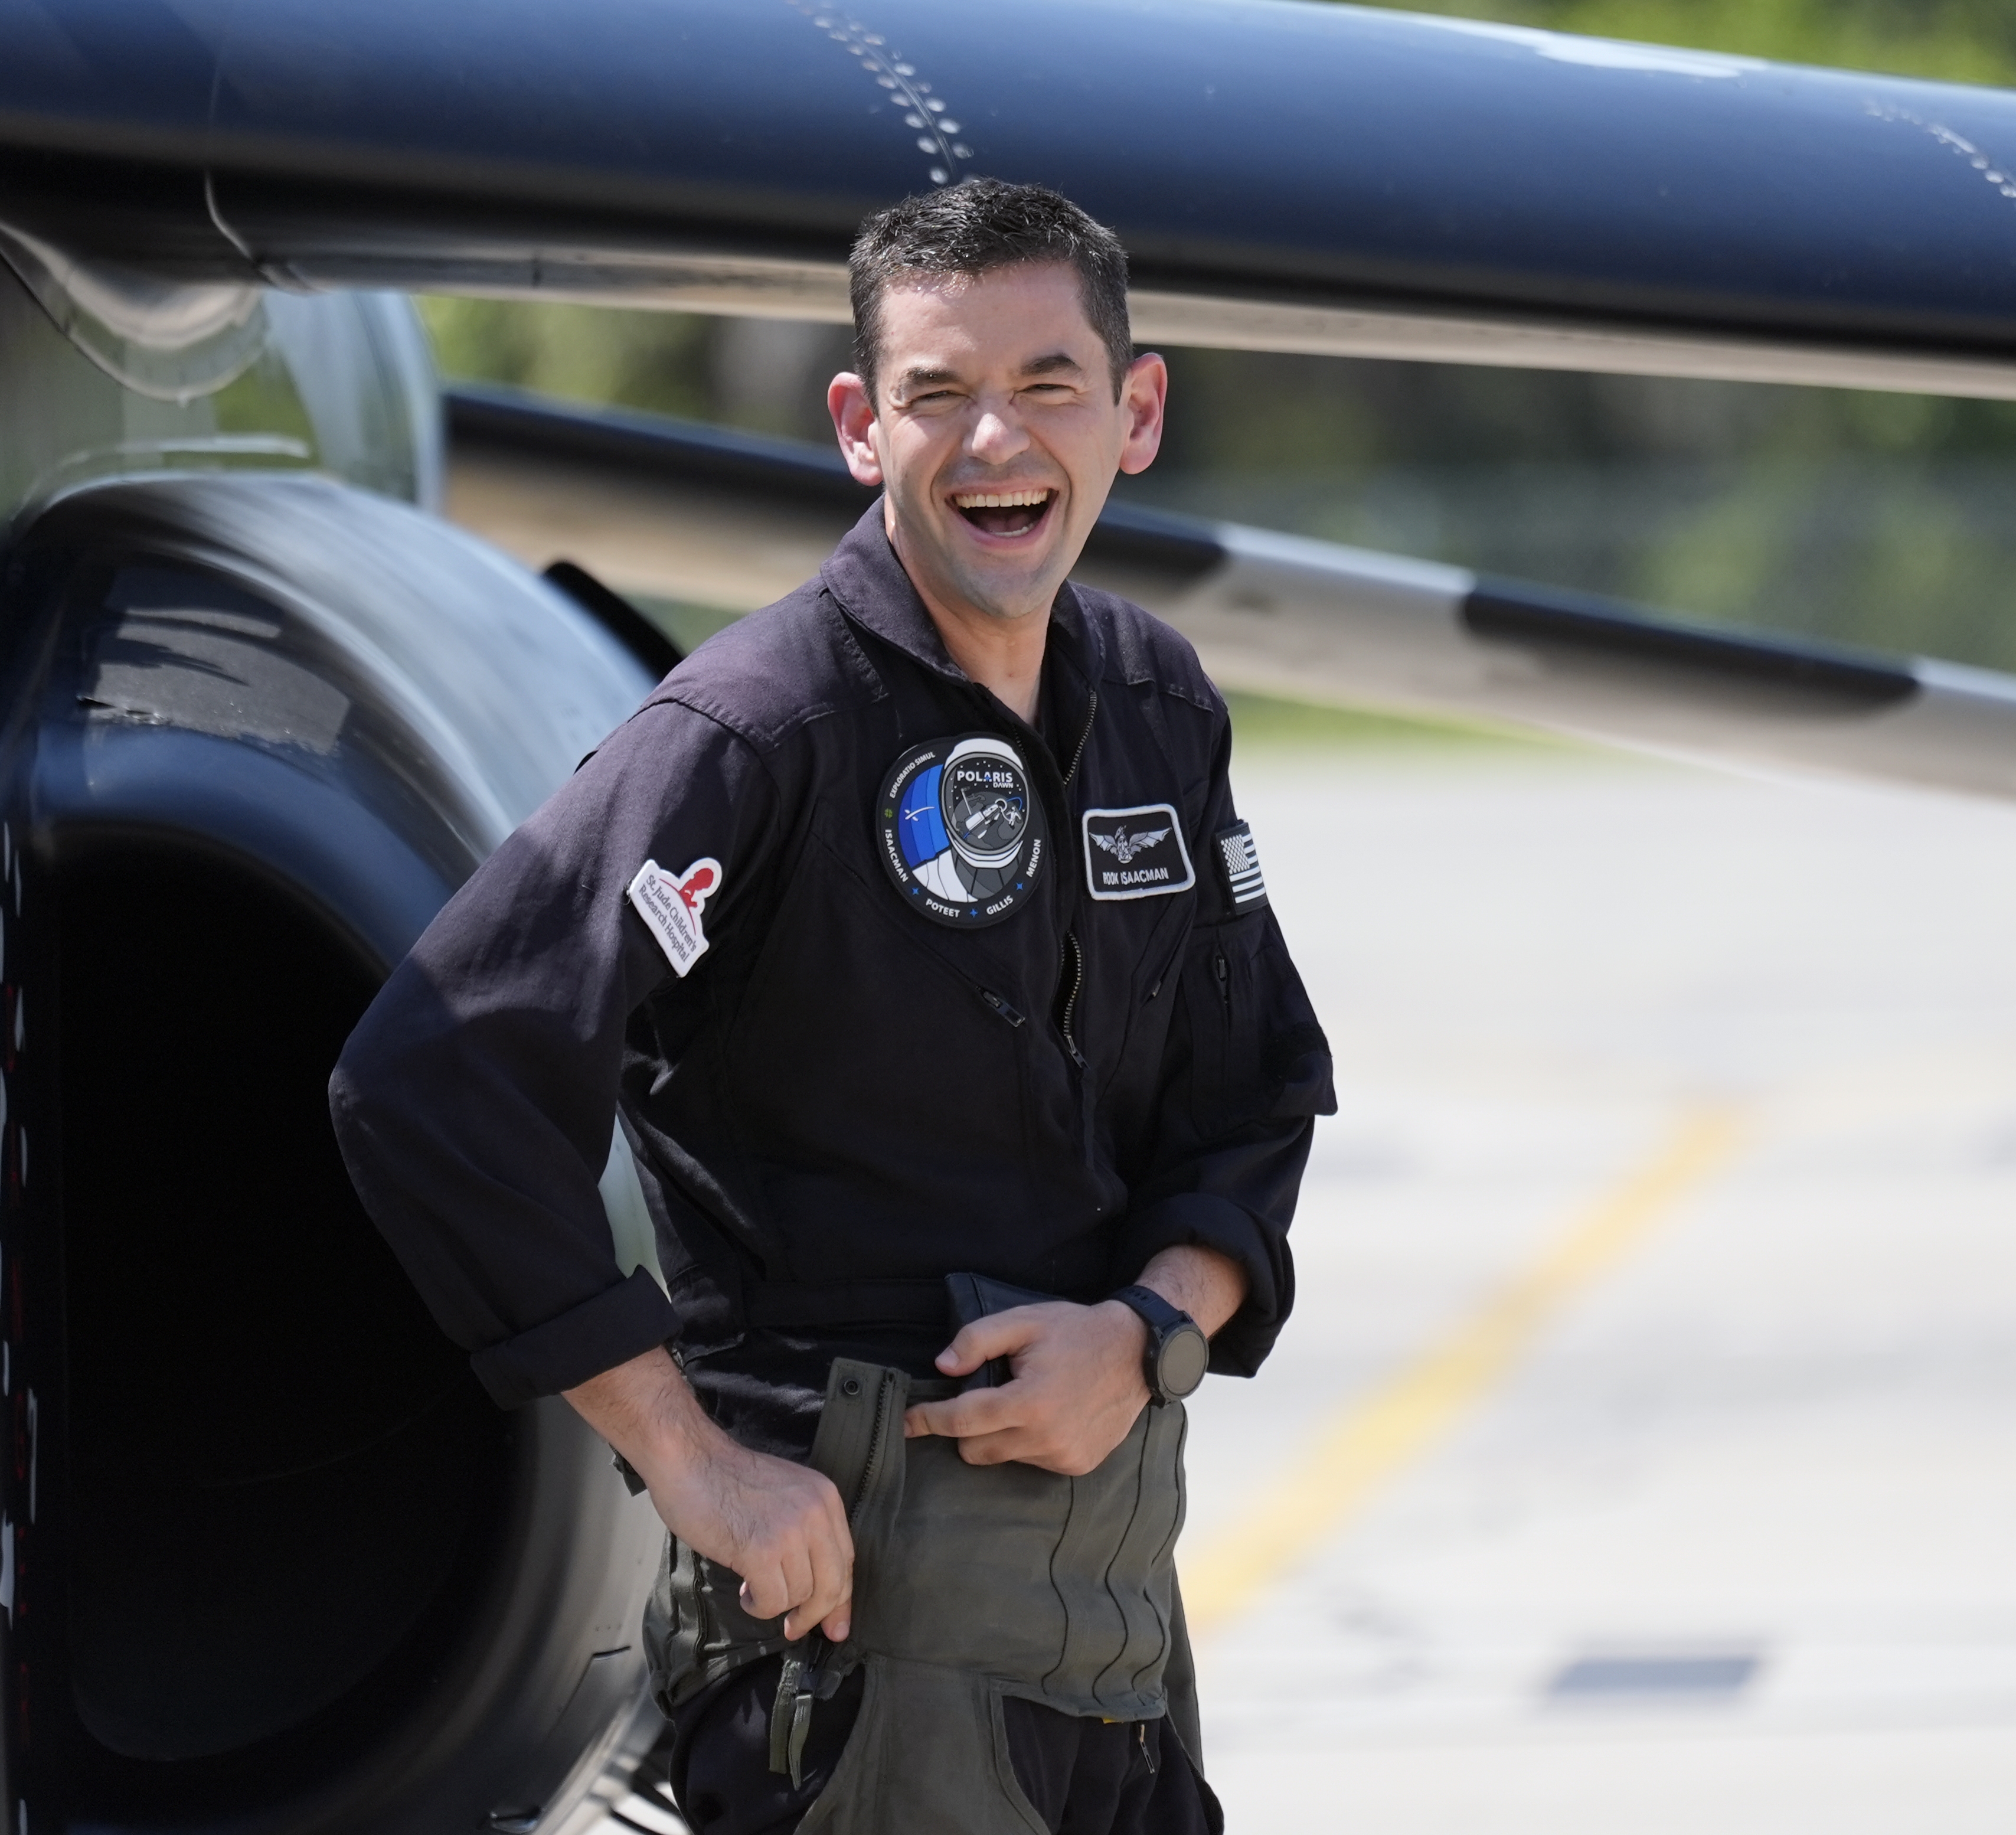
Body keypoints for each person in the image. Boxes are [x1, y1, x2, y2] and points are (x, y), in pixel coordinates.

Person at [328, 178, 1333, 1835]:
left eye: (1049, 384)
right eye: (940, 394)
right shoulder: (758, 729)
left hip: (1115, 1637)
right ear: (863, 427)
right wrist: (692, 1462)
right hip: (855, 1661)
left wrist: (1147, 1332)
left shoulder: (1156, 705)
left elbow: (1255, 1094)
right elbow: (438, 1073)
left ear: (1137, 413)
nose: (997, 440)